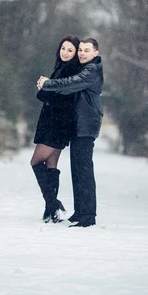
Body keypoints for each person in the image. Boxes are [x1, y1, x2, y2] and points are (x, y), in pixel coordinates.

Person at [37, 38, 103, 228]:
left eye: (86, 50)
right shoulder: (86, 68)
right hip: (79, 125)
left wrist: (49, 83)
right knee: (77, 170)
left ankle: (88, 216)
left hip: (86, 125)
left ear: (95, 53)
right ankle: (80, 212)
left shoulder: (91, 70)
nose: (82, 53)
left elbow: (71, 83)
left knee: (84, 170)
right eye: (80, 50)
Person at [31, 35, 80, 223]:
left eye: (70, 50)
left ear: (75, 53)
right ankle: (50, 211)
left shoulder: (69, 69)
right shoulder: (61, 67)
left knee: (36, 162)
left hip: (56, 123)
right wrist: (45, 89)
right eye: (63, 48)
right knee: (51, 166)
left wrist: (43, 88)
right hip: (55, 122)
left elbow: (59, 98)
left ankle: (53, 204)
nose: (65, 53)